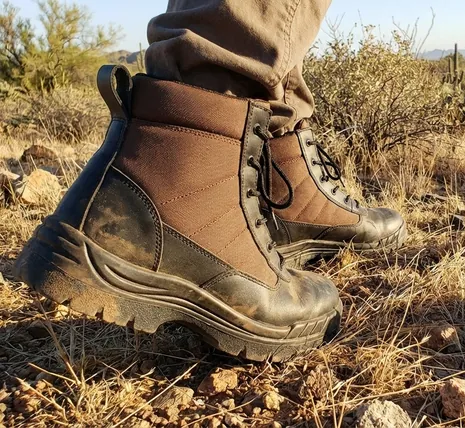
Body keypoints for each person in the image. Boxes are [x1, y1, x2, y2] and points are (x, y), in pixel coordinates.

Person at [13, 0, 406, 361]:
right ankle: (193, 169)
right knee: (234, 49)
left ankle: (276, 173)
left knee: (281, 37)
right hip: (187, 164)